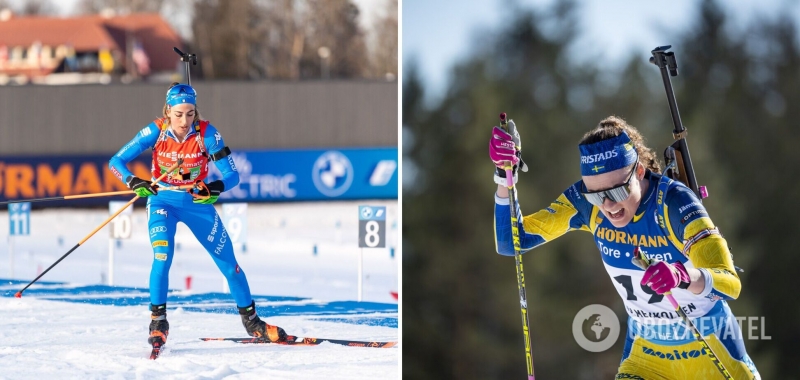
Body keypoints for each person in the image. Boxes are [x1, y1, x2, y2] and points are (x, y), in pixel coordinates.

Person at [490, 116, 759, 379]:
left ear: (639, 172)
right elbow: (512, 242)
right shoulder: (584, 204)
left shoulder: (674, 203)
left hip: (713, 353)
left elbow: (730, 284)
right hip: (647, 361)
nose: (608, 206)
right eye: (596, 195)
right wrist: (505, 177)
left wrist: (684, 275)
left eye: (617, 192)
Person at [109, 83, 290, 349]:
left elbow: (233, 176)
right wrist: (133, 181)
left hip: (196, 203)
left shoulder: (207, 134)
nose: (185, 121)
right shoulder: (155, 131)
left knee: (230, 266)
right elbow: (116, 161)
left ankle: (253, 323)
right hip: (162, 202)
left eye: (190, 113)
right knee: (162, 257)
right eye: (179, 114)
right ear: (168, 110)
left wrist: (214, 187)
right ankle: (158, 323)